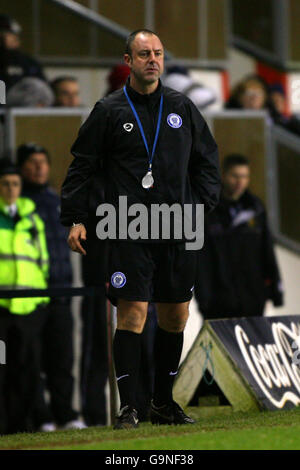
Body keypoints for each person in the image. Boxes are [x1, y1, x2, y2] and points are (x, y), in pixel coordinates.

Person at [60, 29, 221, 429]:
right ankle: (131, 406)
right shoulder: (110, 110)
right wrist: (77, 218)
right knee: (132, 314)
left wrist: (199, 208)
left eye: (159, 53)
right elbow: (82, 165)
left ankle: (163, 403)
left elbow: (207, 163)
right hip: (128, 228)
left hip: (177, 228)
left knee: (175, 317)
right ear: (128, 60)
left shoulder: (181, 107)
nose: (153, 59)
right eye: (144, 53)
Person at [17, 143, 84, 431]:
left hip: (61, 293)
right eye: (33, 163)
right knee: (31, 362)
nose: (39, 168)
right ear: (22, 168)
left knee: (62, 360)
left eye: (43, 162)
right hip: (29, 297)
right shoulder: (16, 204)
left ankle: (66, 415)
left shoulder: (58, 201)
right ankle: (40, 417)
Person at [194, 154, 284, 319]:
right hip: (218, 301)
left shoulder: (255, 209)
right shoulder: (208, 210)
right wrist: (203, 299)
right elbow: (201, 259)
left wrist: (275, 291)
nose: (240, 182)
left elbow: (267, 251)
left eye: (244, 176)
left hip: (253, 298)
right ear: (224, 175)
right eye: (235, 176)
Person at [0, 158, 49, 434]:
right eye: (5, 183)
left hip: (29, 309)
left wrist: (41, 300)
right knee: (2, 367)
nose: (10, 188)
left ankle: (24, 425)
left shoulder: (32, 217)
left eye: (15, 183)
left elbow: (42, 261)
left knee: (27, 369)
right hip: (2, 311)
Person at [0, 14, 46, 90]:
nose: (15, 39)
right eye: (7, 34)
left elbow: (42, 90)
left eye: (15, 35)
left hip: (22, 100)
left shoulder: (27, 62)